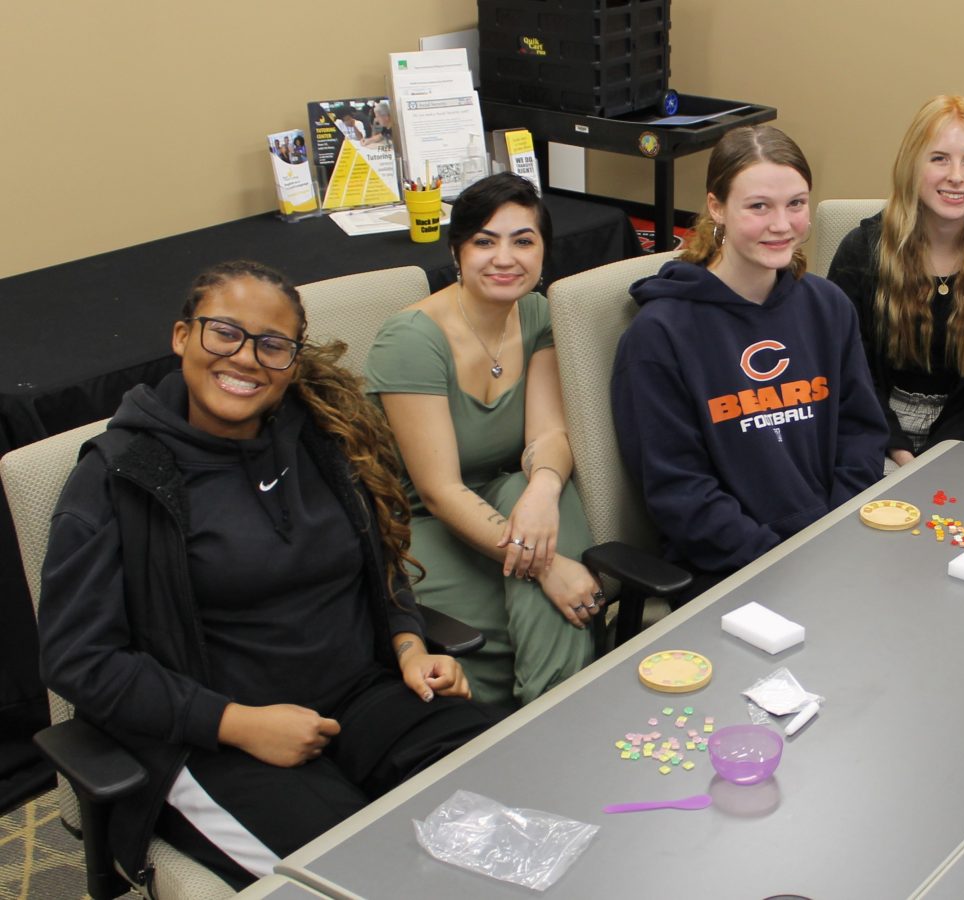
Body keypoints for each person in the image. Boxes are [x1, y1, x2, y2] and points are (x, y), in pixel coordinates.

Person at [36, 261, 501, 890]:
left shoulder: (322, 437)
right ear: (182, 336)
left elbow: (375, 562)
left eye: (272, 345)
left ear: (293, 359)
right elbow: (78, 658)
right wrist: (239, 724)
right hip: (212, 740)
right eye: (224, 333)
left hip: (362, 697)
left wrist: (409, 643)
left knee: (505, 801)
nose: (247, 358)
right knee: (367, 879)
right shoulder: (119, 475)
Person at [613, 124, 888, 594]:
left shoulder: (828, 306)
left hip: (833, 545)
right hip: (732, 569)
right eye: (759, 206)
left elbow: (860, 434)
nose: (782, 225)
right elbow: (681, 493)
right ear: (716, 207)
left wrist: (834, 534)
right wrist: (784, 560)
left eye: (796, 204)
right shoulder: (659, 336)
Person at [367, 172, 599, 708]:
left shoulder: (539, 313)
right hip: (420, 522)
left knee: (548, 489)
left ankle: (546, 711)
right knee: (544, 608)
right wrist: (549, 567)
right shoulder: (411, 338)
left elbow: (548, 435)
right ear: (457, 251)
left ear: (543, 252)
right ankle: (557, 710)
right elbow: (441, 490)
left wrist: (540, 491)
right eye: (484, 241)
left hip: (504, 500)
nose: (505, 258)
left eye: (523, 241)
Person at [827, 95, 964, 468]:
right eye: (939, 158)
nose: (956, 176)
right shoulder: (860, 253)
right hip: (871, 434)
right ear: (912, 165)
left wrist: (934, 457)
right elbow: (848, 369)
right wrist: (897, 450)